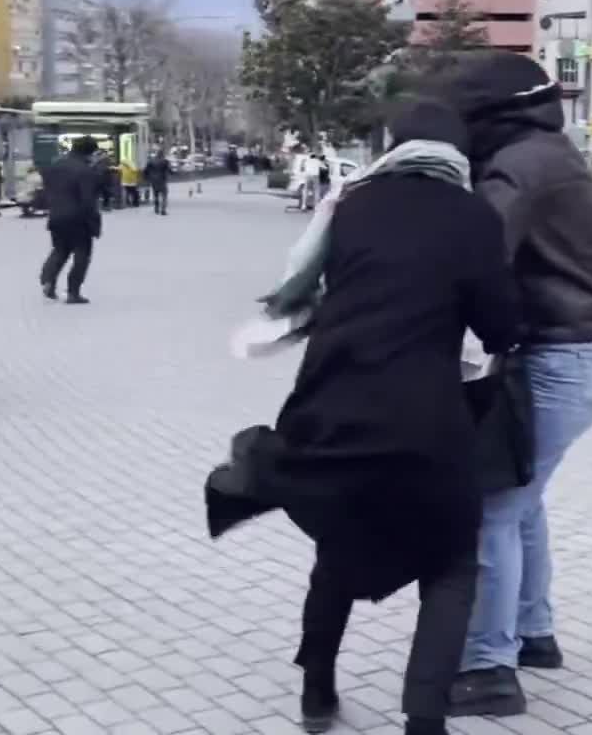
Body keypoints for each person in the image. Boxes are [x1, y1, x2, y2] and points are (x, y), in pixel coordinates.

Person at [205, 100, 523, 735]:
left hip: (330, 411)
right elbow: (499, 328)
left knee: (338, 551)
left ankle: (317, 695)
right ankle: (424, 719)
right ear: (460, 157)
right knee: (452, 561)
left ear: (393, 147)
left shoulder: (353, 204)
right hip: (426, 423)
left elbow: (307, 285)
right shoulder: (474, 216)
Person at [438, 51, 592, 718]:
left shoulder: (519, 162)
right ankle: (533, 633)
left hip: (559, 359)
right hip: (582, 355)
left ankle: (488, 669)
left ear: (488, 115)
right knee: (522, 499)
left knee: (490, 510)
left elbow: (475, 251)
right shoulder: (550, 150)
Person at [40, 137, 101, 304]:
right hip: (78, 219)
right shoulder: (85, 171)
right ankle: (73, 292)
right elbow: (88, 200)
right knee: (82, 255)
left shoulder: (55, 165)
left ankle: (48, 280)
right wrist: (94, 221)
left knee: (60, 250)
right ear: (88, 152)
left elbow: (48, 189)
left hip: (56, 216)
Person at [143, 149, 172, 216]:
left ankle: (156, 208)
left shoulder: (151, 161)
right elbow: (169, 170)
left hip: (153, 180)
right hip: (162, 180)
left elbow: (145, 170)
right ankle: (163, 210)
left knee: (155, 194)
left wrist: (146, 178)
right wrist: (172, 173)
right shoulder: (165, 161)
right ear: (162, 154)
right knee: (164, 195)